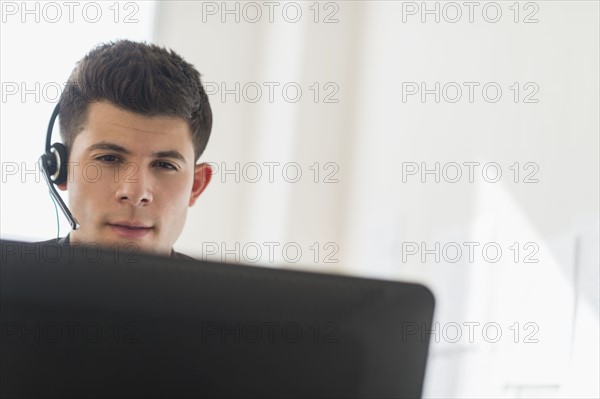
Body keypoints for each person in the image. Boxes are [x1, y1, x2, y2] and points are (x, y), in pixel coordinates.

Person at [38, 40, 213, 259]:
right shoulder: (9, 280)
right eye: (109, 158)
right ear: (61, 170)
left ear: (196, 186)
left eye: (165, 165)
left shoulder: (227, 294)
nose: (135, 193)